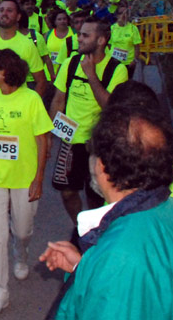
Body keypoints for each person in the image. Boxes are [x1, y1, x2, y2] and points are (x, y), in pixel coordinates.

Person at [40, 104, 173, 320]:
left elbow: (121, 294)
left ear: (101, 166)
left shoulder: (119, 257)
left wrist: (102, 265)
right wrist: (83, 267)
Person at [0, 50, 52, 318]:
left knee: (21, 230)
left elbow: (43, 140)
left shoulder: (31, 99)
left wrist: (39, 178)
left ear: (6, 72)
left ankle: (22, 252)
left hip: (24, 177)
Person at [50, 16, 128, 228]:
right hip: (70, 141)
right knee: (67, 192)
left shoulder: (116, 69)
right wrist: (50, 134)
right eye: (79, 34)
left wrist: (91, 75)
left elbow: (110, 106)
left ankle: (95, 232)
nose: (79, 38)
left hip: (98, 145)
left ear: (101, 40)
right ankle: (81, 226)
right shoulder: (71, 62)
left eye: (85, 35)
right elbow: (59, 99)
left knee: (96, 195)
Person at [108, 2, 142, 76]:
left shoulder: (133, 28)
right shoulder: (112, 28)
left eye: (126, 13)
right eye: (121, 13)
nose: (123, 15)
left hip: (128, 63)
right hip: (114, 62)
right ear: (117, 15)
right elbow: (109, 44)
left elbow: (137, 47)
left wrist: (134, 60)